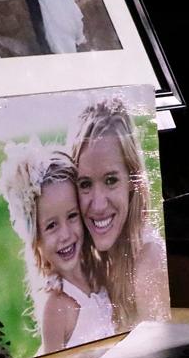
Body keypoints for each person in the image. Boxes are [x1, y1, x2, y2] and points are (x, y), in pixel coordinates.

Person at [0, 141, 113, 354]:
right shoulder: (57, 306)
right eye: (51, 225)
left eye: (72, 216)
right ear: (35, 238)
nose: (66, 234)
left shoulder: (100, 273)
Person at [71, 98, 169, 330]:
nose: (98, 204)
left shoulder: (148, 261)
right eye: (85, 184)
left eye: (111, 180)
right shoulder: (90, 264)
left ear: (132, 182)